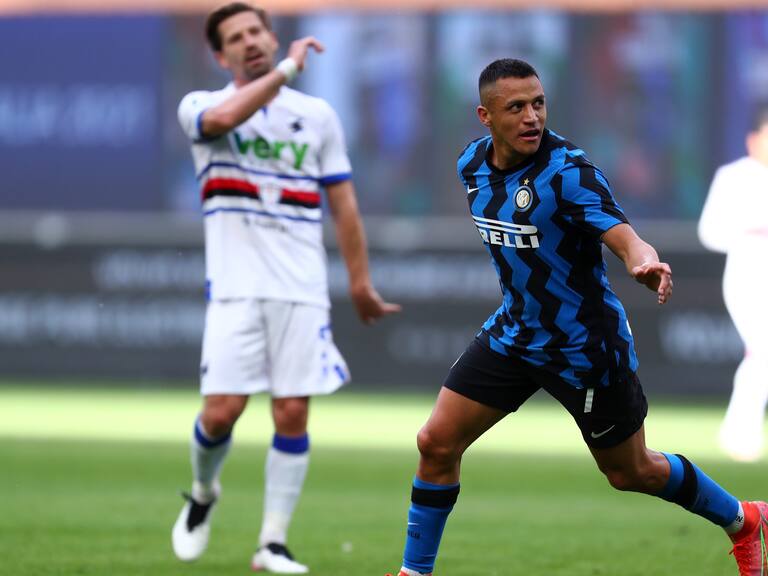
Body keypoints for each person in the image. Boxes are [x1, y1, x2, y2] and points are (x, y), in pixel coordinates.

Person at [386, 59, 767, 576]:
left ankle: (744, 519)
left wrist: (642, 261)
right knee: (435, 442)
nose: (531, 117)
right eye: (515, 107)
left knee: (632, 471)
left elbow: (623, 234)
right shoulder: (471, 165)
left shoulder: (569, 171)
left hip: (584, 349)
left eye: (538, 103)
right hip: (516, 334)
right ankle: (414, 573)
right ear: (485, 115)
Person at [171, 3, 400, 573]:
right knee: (221, 414)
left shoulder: (318, 116)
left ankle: (271, 541)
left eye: (256, 30)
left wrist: (360, 281)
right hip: (235, 288)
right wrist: (286, 74)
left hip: (300, 289)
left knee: (292, 413)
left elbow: (343, 206)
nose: (250, 41)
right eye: (235, 38)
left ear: (272, 37)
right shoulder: (201, 107)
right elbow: (222, 123)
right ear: (220, 56)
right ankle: (203, 493)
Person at [698, 109, 768, 463]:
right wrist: (751, 229)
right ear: (753, 139)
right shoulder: (733, 178)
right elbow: (709, 232)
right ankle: (741, 433)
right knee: (762, 352)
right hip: (746, 278)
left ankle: (738, 429)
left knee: (761, 356)